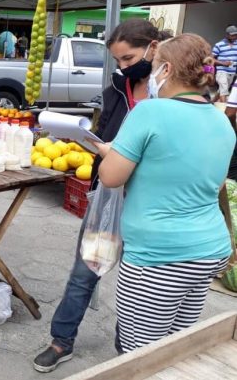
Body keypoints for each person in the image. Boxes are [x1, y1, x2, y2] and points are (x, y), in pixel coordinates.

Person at [33, 19, 168, 373]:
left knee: (137, 283)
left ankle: (130, 349)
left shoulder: (169, 94)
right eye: (119, 61)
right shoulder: (117, 89)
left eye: (129, 58)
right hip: (109, 198)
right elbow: (103, 134)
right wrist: (84, 140)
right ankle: (61, 341)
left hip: (150, 206)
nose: (124, 67)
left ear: (154, 47)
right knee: (84, 272)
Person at [95, 33, 234, 353]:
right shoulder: (222, 120)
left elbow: (111, 177)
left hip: (158, 255)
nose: (151, 76)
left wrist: (109, 153)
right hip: (208, 251)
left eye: (154, 67)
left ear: (167, 69)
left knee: (141, 355)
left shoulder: (149, 112)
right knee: (173, 350)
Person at [212, 25, 237, 103]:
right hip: (222, 71)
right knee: (224, 89)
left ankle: (211, 102)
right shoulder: (219, 45)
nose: (234, 37)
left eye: (235, 35)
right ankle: (223, 109)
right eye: (232, 35)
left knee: (222, 90)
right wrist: (223, 63)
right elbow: (211, 59)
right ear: (227, 35)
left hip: (232, 72)